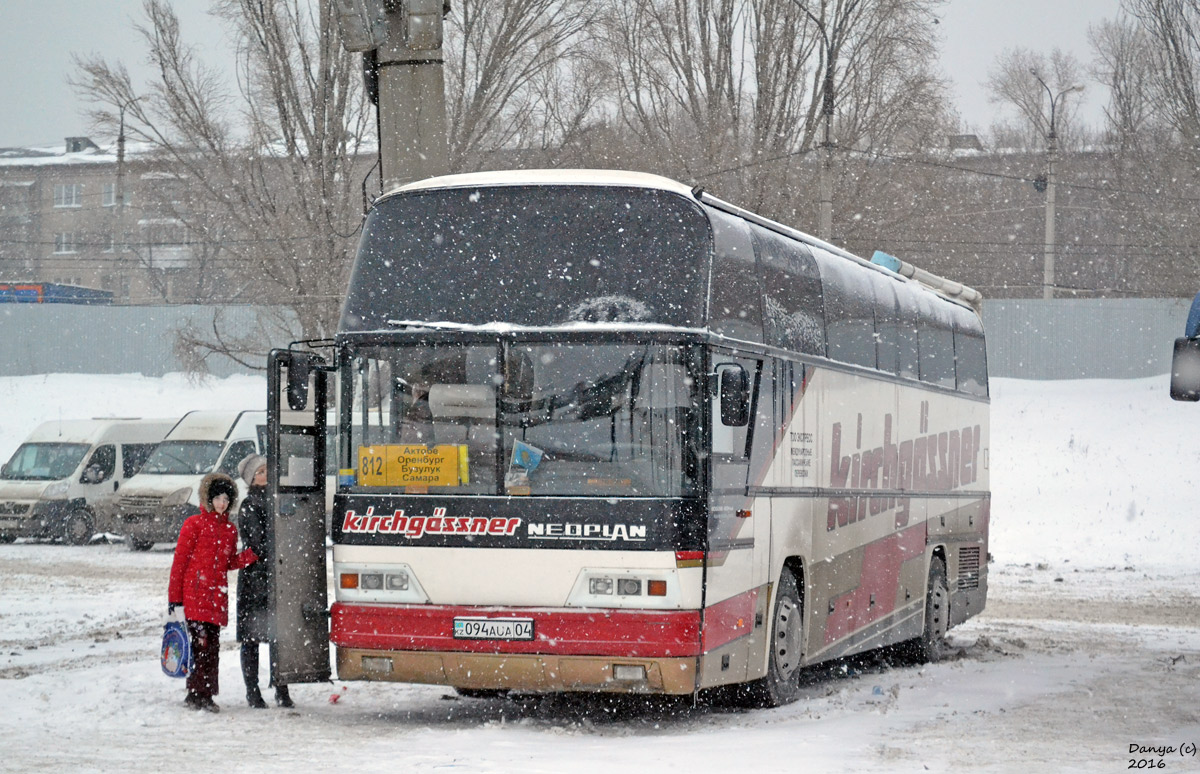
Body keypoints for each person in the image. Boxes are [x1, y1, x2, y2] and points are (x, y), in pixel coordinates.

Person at [167, 472, 257, 713]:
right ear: (208, 499)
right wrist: (175, 600)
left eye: (226, 499)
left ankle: (206, 693)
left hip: (216, 597)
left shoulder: (229, 530)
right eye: (217, 498)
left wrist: (250, 556)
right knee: (199, 646)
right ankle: (196, 693)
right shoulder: (193, 525)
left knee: (212, 647)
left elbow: (227, 563)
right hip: (195, 596)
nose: (222, 503)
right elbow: (180, 564)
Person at [235, 453, 294, 709]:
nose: (265, 475)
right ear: (251, 479)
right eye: (260, 472)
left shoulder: (279, 499)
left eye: (267, 470)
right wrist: (277, 545)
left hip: (275, 577)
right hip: (255, 579)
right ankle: (253, 691)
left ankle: (282, 689)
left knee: (277, 635)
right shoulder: (249, 505)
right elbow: (257, 543)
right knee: (252, 638)